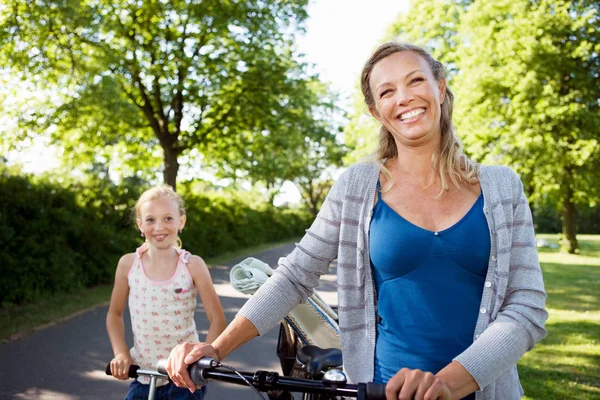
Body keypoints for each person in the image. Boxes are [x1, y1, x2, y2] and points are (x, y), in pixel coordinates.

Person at [164, 42, 548, 400]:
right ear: (375, 111)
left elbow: (526, 306)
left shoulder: (501, 187)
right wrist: (216, 347)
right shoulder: (357, 187)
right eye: (387, 91)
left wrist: (447, 383)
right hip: (381, 388)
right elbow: (295, 276)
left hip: (484, 389)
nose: (405, 97)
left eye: (416, 80)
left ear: (441, 87)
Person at [106, 184, 226, 400]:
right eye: (150, 219)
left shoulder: (192, 265)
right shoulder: (127, 264)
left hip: (185, 379)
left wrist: (203, 358)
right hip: (143, 376)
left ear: (181, 222)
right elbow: (114, 314)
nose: (159, 227)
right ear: (140, 225)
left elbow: (217, 319)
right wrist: (121, 353)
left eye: (168, 218)